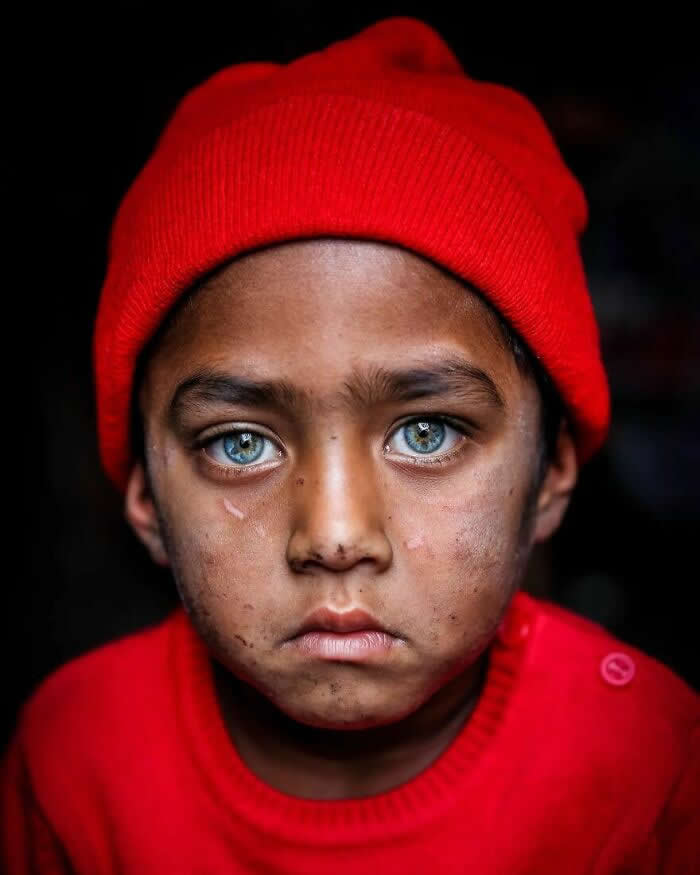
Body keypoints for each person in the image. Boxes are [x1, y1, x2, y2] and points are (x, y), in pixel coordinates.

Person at [2, 16, 697, 874]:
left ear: (551, 473)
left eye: (426, 431)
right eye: (243, 444)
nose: (335, 535)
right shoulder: (76, 755)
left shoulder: (647, 755)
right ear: (143, 492)